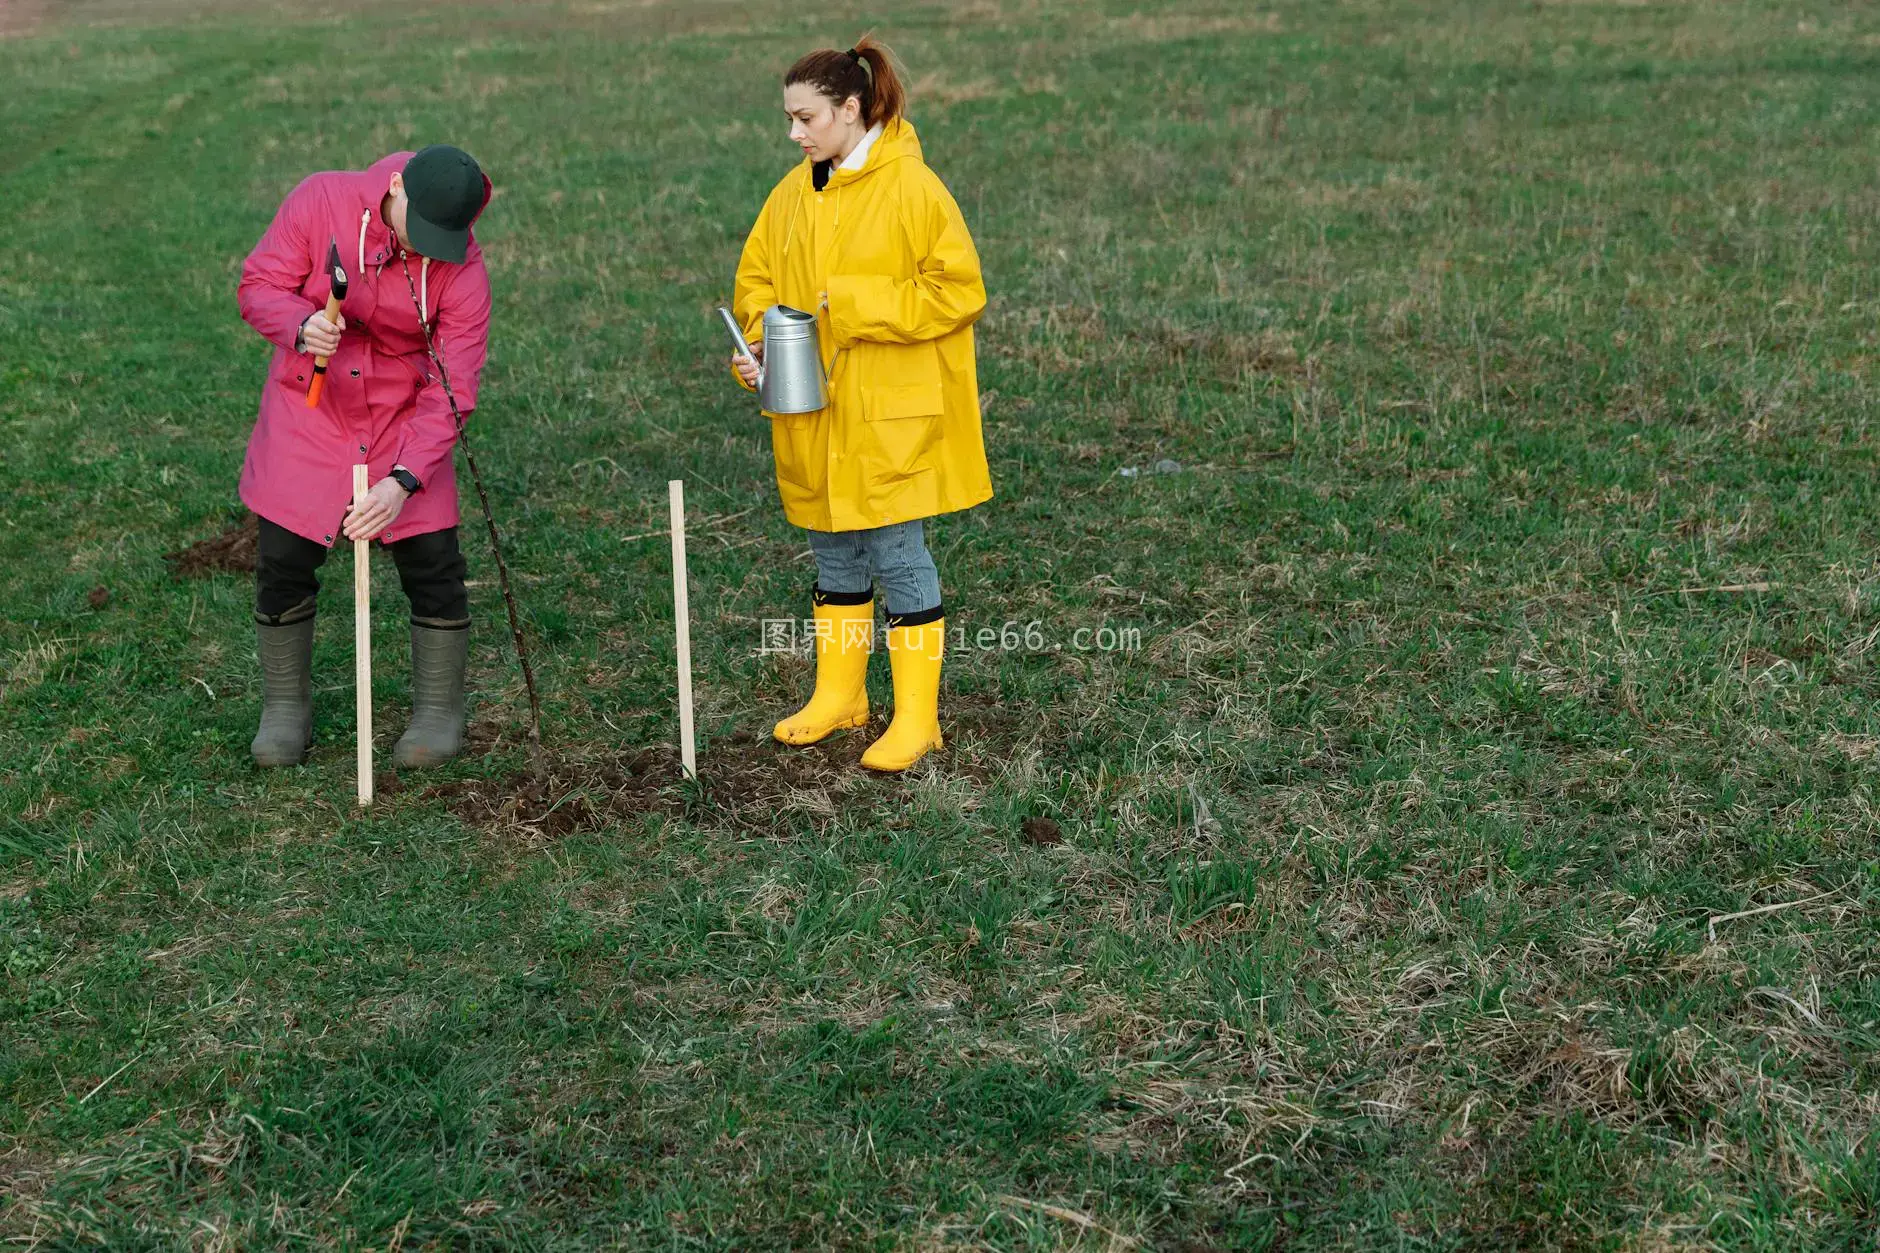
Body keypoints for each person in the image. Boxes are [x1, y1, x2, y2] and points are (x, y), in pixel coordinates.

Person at [729, 36, 992, 773]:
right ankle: (839, 697)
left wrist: (849, 305)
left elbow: (959, 289)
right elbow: (756, 282)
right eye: (789, 118)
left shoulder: (913, 187)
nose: (794, 133)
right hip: (813, 411)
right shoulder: (791, 193)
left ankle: (917, 719)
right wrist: (758, 344)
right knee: (832, 547)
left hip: (890, 417)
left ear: (851, 109)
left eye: (805, 118)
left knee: (897, 556)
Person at [236, 145, 493, 770]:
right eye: (422, 232)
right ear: (396, 188)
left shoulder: (464, 267)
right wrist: (299, 324)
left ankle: (437, 710)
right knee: (284, 558)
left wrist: (403, 480)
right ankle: (284, 709)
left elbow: (453, 386)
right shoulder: (320, 199)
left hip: (403, 418)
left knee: (434, 562)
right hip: (313, 406)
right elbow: (259, 284)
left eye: (445, 240)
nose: (430, 250)